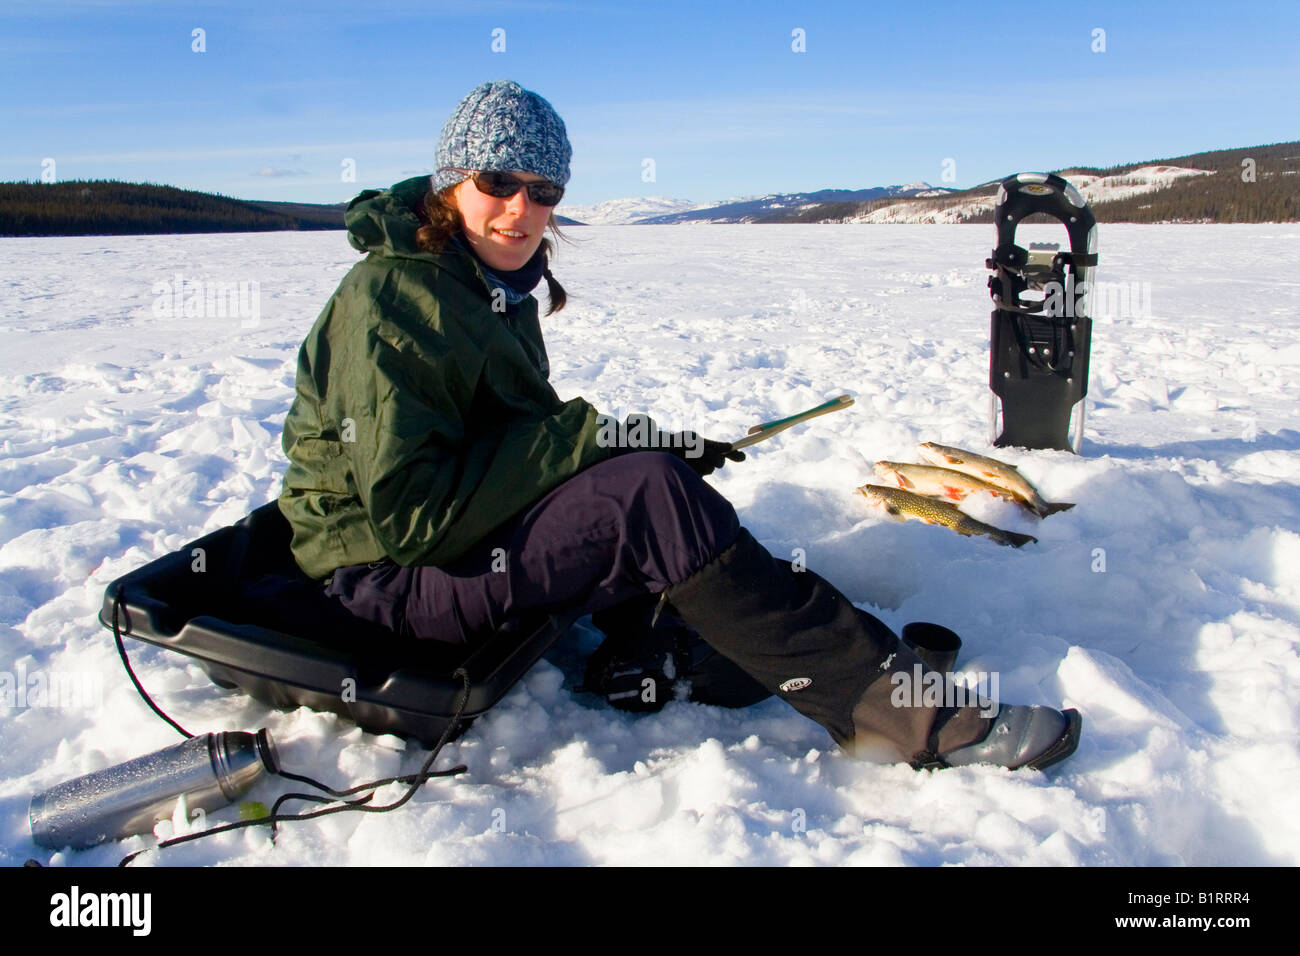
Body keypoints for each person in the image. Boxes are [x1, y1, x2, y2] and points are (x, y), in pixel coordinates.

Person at [277, 79, 1081, 772]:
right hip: (380, 584)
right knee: (644, 499)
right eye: (498, 181)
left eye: (545, 190)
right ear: (453, 182)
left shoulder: (486, 283)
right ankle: (919, 724)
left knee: (660, 506)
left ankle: (792, 653)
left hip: (439, 554)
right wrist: (601, 448)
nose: (522, 210)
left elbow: (512, 437)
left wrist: (643, 443)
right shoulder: (397, 300)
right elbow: (416, 519)